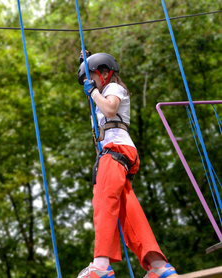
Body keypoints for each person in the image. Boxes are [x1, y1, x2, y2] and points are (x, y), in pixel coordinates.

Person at [76, 52, 178, 278]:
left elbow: (110, 109)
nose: (90, 83)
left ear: (105, 74)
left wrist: (92, 90)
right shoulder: (102, 90)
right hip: (118, 152)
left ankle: (101, 266)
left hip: (116, 150)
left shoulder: (113, 88)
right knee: (127, 209)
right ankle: (158, 265)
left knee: (104, 201)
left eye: (92, 78)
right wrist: (85, 62)